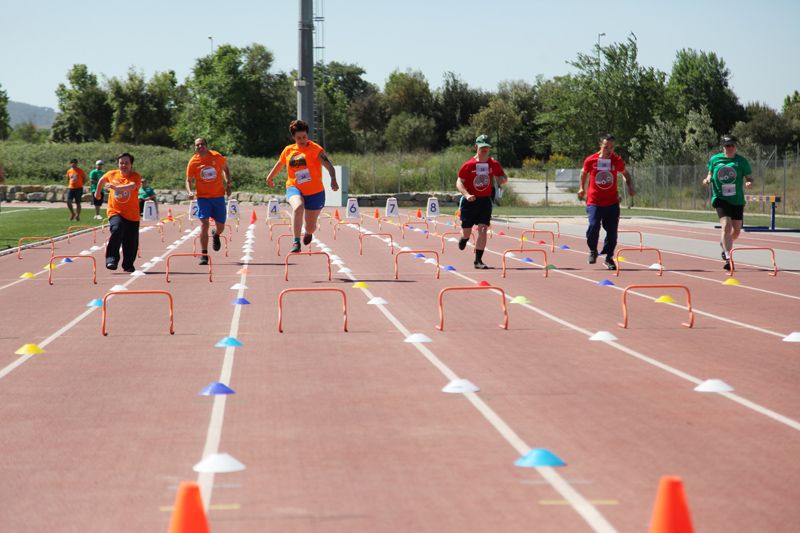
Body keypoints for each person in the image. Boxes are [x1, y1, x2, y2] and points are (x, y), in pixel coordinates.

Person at [265, 120, 338, 253]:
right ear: (293, 137)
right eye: (299, 138)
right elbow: (280, 164)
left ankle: (308, 233)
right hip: (294, 187)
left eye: (304, 137)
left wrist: (333, 179)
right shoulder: (288, 150)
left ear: (307, 135)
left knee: (310, 226)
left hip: (315, 192)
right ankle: (296, 242)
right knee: (298, 207)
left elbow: (329, 166)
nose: (302, 140)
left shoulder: (316, 149)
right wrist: (270, 177)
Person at [578, 134, 635, 271]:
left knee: (612, 232)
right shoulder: (591, 160)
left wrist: (630, 186)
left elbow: (626, 174)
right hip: (594, 201)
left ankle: (609, 257)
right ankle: (593, 250)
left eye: (612, 147)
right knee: (593, 226)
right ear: (600, 145)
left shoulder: (616, 160)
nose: (609, 150)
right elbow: (583, 172)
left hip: (612, 203)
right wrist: (581, 187)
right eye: (606, 147)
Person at [455, 134, 508, 269]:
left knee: (483, 229)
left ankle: (478, 261)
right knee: (467, 231)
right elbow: (459, 182)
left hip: (485, 201)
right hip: (470, 201)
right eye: (482, 147)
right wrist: (466, 195)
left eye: (487, 147)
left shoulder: (493, 164)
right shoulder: (469, 165)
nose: (485, 150)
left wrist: (502, 180)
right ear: (476, 147)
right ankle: (464, 239)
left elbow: (503, 177)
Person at [703, 134, 753, 270]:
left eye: (731, 145)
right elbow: (709, 173)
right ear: (723, 147)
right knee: (726, 226)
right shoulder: (715, 159)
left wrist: (749, 182)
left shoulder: (741, 161)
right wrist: (707, 179)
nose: (729, 148)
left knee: (736, 231)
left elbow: (749, 177)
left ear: (735, 146)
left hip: (737, 200)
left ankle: (724, 242)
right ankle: (728, 257)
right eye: (726, 146)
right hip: (720, 198)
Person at [186, 137, 232, 265]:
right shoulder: (193, 162)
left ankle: (216, 234)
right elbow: (188, 180)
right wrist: (190, 191)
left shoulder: (216, 156)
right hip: (203, 198)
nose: (200, 147)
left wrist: (228, 184)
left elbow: (226, 169)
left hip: (218, 197)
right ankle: (204, 254)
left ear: (206, 145)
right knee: (204, 223)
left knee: (221, 226)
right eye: (197, 145)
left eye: (202, 144)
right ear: (195, 147)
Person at [95, 153, 141, 272]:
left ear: (131, 165)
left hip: (132, 215)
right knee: (117, 228)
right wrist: (97, 193)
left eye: (126, 163)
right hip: (115, 211)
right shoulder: (112, 174)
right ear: (118, 164)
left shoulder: (135, 176)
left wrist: (116, 188)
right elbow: (102, 180)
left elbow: (131, 187)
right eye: (121, 163)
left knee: (131, 242)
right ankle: (111, 259)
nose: (123, 165)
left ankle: (128, 264)